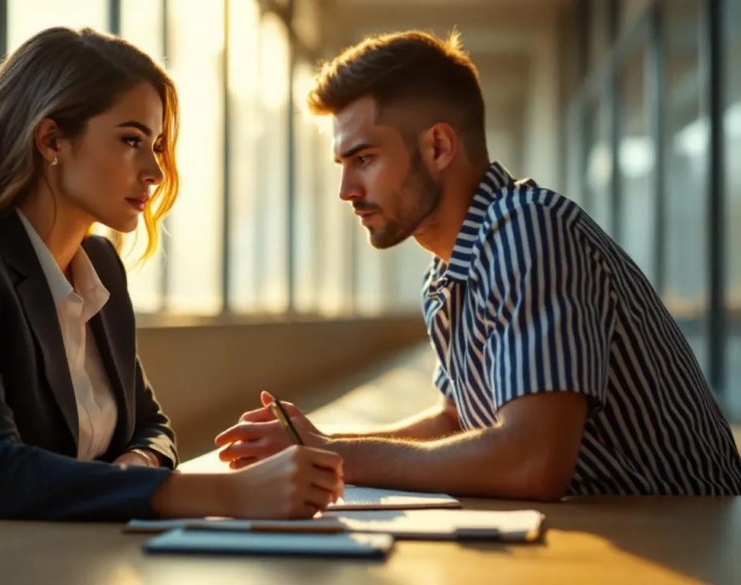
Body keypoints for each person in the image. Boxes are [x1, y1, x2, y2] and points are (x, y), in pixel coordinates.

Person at [0, 27, 343, 552]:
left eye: (155, 145)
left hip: (66, 554)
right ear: (51, 141)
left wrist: (133, 473)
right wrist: (228, 493)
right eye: (131, 140)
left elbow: (151, 427)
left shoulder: (102, 267)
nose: (155, 170)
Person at [215, 30, 741, 498]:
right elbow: (455, 422)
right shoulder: (449, 270)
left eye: (365, 159)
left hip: (690, 544)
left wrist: (336, 459)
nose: (347, 190)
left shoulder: (529, 230)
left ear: (439, 146)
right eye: (343, 164)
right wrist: (320, 444)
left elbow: (530, 462)